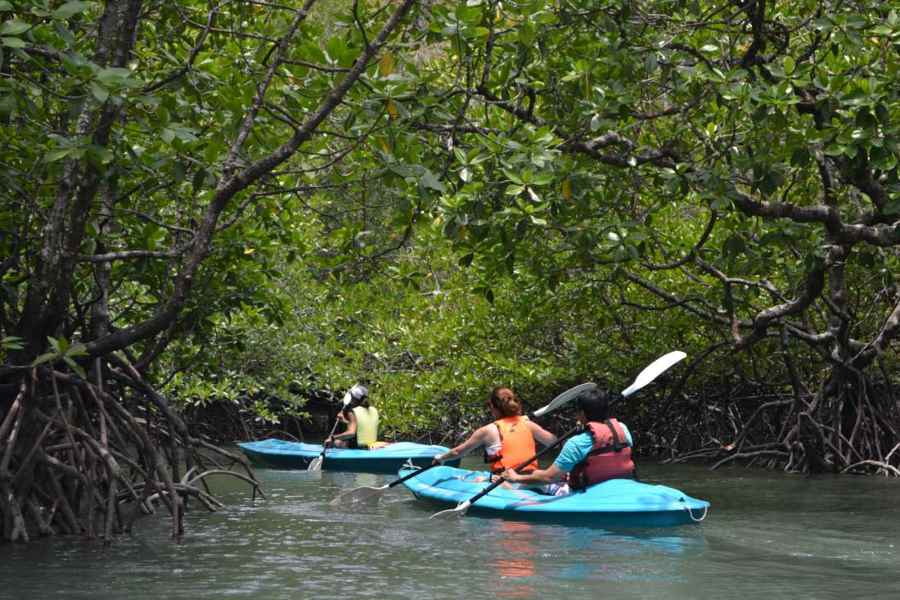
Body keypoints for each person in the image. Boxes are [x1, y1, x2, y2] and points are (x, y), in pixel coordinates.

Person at [502, 387, 635, 495]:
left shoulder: (576, 443)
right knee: (544, 474)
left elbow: (549, 477)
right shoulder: (622, 429)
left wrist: (516, 478)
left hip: (584, 492)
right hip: (618, 485)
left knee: (533, 478)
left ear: (581, 414)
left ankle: (511, 487)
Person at [433, 387, 557, 474]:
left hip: (507, 481)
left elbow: (457, 452)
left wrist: (440, 458)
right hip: (533, 477)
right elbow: (554, 441)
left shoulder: (487, 431)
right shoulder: (528, 424)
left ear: (493, 406)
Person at [325, 384, 381, 449]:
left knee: (335, 442)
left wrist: (332, 438)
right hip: (371, 443)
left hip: (359, 446)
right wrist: (344, 421)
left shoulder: (352, 411)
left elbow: (351, 433)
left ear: (352, 398)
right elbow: (362, 426)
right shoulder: (373, 409)